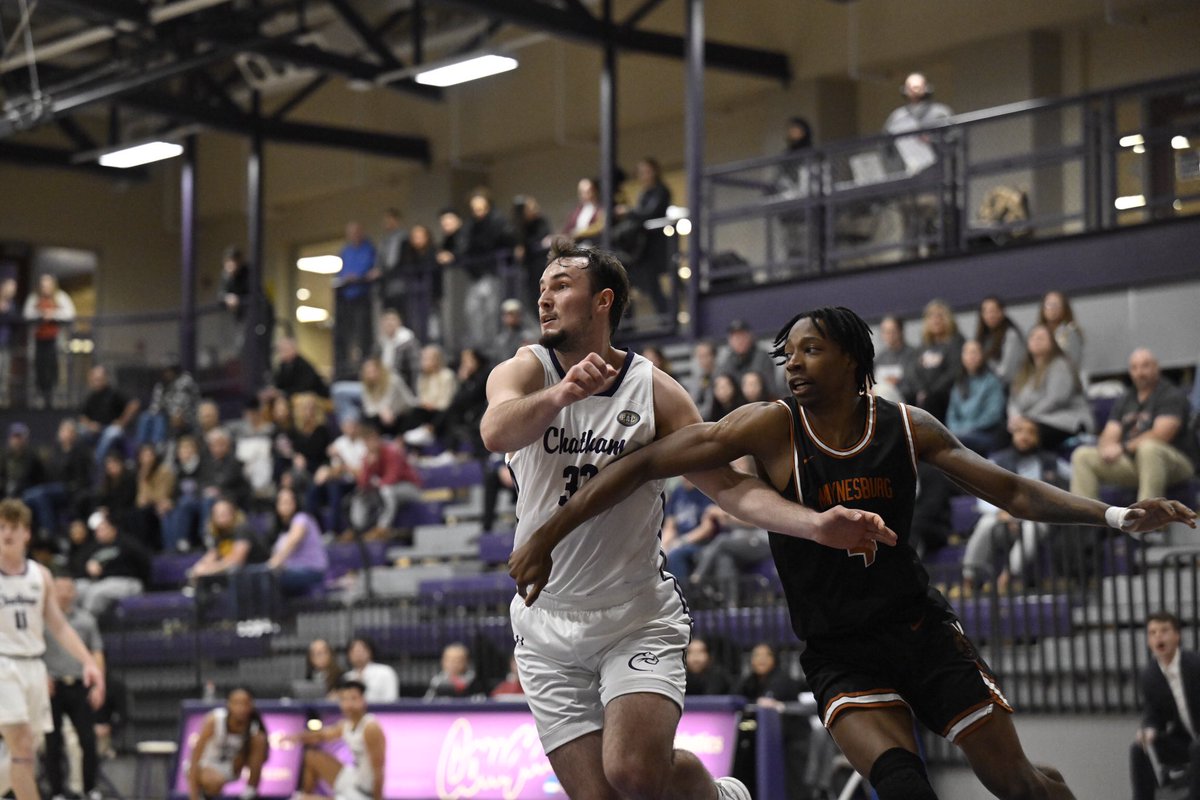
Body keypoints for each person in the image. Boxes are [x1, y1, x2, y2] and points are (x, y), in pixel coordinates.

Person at [514, 304, 1196, 800]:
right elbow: (644, 461)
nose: (792, 363)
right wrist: (548, 532)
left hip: (920, 632)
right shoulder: (770, 427)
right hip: (839, 650)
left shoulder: (906, 426)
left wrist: (1115, 513)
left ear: (849, 356)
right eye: (786, 354)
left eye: (809, 350)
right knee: (904, 789)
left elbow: (1012, 489)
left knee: (1017, 784)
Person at [486, 244, 890, 800]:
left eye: (560, 285)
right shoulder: (526, 369)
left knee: (633, 773)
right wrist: (563, 393)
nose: (544, 299)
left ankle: (720, 795)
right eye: (542, 288)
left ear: (603, 301)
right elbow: (496, 431)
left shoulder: (653, 389)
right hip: (545, 623)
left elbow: (729, 487)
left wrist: (817, 525)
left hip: (634, 616)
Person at [0, 499, 104, 800]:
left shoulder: (40, 575)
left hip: (34, 665)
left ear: (27, 533)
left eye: (14, 527)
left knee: (26, 752)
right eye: (2, 527)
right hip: (4, 664)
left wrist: (88, 662)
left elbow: (59, 627)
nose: (7, 533)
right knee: (20, 743)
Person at [1071, 347, 1196, 503]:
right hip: (1135, 462)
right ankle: (1084, 515)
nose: (1140, 372)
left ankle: (1146, 515)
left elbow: (1161, 435)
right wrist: (1106, 448)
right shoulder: (1126, 399)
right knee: (1082, 456)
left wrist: (1122, 448)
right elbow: (1110, 433)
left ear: (1156, 367)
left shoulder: (1170, 395)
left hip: (1176, 463)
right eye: (1134, 367)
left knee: (1149, 448)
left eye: (1145, 366)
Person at [961, 417, 1068, 594]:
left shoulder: (1051, 461)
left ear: (1038, 438)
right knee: (985, 523)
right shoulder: (997, 461)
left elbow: (1074, 482)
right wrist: (1003, 512)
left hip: (1036, 519)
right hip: (1004, 518)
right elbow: (982, 497)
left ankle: (1007, 579)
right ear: (1013, 435)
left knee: (1031, 528)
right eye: (1019, 431)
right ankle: (969, 579)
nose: (1024, 436)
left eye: (1030, 432)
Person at [42, 574, 104, 800]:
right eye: (59, 588)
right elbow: (33, 649)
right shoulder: (40, 619)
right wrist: (41, 675)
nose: (64, 593)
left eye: (69, 589)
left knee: (88, 739)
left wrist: (98, 683)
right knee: (53, 742)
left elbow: (96, 652)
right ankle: (57, 792)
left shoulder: (86, 620)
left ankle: (90, 789)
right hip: (52, 687)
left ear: (75, 592)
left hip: (79, 684)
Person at [1131, 611, 1200, 800]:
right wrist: (1149, 729)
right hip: (1185, 742)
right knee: (1138, 747)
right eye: (1152, 633)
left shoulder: (1195, 664)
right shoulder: (1149, 675)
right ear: (1148, 641)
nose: (1158, 637)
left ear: (1177, 636)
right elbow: (1153, 713)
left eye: (1164, 631)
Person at [294, 680, 385, 800]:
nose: (348, 704)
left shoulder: (370, 728)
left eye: (353, 699)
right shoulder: (346, 724)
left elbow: (378, 771)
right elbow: (321, 736)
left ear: (363, 701)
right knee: (311, 757)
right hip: (354, 780)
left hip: (366, 793)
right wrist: (294, 738)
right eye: (344, 699)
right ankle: (306, 793)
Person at [1007, 324, 1093, 450]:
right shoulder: (1024, 371)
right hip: (1031, 420)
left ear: (1052, 343)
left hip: (1064, 420)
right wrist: (1014, 417)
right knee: (1003, 433)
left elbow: (1056, 399)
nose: (1036, 340)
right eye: (1033, 337)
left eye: (1041, 338)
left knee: (1029, 432)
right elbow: (1013, 400)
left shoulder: (1060, 365)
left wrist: (1027, 418)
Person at [187, 686, 269, 800]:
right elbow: (195, 756)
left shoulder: (254, 730)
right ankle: (203, 794)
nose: (240, 708)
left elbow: (261, 761)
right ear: (228, 705)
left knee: (259, 739)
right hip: (206, 764)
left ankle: (250, 793)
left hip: (230, 769)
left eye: (244, 703)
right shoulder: (214, 720)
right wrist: (193, 796)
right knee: (214, 782)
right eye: (236, 703)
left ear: (251, 705)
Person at [614, 157, 672, 318]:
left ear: (655, 172)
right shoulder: (644, 193)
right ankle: (631, 320)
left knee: (655, 286)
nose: (644, 175)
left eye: (647, 172)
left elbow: (649, 213)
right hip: (641, 248)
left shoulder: (661, 190)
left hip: (654, 245)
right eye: (641, 173)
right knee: (633, 284)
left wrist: (629, 211)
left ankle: (666, 317)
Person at [348, 423, 421, 539]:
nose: (369, 445)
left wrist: (377, 486)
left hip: (410, 488)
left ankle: (383, 528)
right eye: (366, 442)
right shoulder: (368, 457)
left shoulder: (391, 451)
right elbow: (363, 483)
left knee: (386, 491)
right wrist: (369, 467)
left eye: (370, 440)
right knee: (361, 494)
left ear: (377, 438)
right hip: (388, 490)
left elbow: (392, 477)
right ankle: (358, 528)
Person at [884, 72, 953, 176]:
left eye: (918, 86)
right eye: (910, 86)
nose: (914, 89)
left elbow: (953, 138)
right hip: (907, 170)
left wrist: (932, 140)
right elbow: (886, 145)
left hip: (937, 170)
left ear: (927, 87)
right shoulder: (897, 117)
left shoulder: (940, 113)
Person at [264, 486, 328, 597]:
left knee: (270, 578)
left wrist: (272, 564)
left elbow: (293, 542)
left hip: (311, 570)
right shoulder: (280, 530)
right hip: (292, 571)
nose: (286, 505)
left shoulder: (301, 518)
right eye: (282, 502)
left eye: (289, 501)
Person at [22, 274, 75, 408]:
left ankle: (55, 398)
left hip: (55, 340)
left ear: (53, 285)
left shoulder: (61, 297)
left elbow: (70, 314)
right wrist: (41, 314)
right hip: (38, 341)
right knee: (38, 369)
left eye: (47, 285)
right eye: (43, 286)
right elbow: (26, 314)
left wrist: (53, 314)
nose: (45, 288)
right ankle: (39, 399)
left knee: (55, 369)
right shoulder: (34, 298)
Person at [947, 339, 1007, 455]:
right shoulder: (959, 383)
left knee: (956, 443)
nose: (970, 356)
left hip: (985, 433)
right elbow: (951, 414)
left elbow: (993, 414)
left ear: (982, 356)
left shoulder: (992, 382)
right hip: (960, 433)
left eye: (974, 352)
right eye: (967, 352)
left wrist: (966, 429)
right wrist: (956, 430)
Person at [335, 222, 379, 379]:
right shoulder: (345, 251)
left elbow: (371, 269)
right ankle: (346, 364)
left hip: (363, 296)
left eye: (356, 232)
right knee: (346, 333)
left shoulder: (369, 248)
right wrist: (345, 278)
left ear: (361, 232)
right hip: (346, 297)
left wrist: (358, 276)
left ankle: (364, 365)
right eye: (350, 233)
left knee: (363, 332)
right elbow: (340, 272)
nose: (353, 236)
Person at [909, 299, 964, 422]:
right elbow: (913, 370)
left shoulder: (956, 342)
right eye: (931, 317)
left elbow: (953, 372)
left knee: (931, 400)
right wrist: (921, 389)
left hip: (947, 393)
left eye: (939, 316)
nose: (936, 320)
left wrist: (930, 391)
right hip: (925, 393)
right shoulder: (923, 345)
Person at [78, 365, 140, 467]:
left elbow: (134, 404)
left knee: (110, 433)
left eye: (99, 379)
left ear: (105, 379)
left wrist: (122, 422)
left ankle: (97, 461)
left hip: (112, 428)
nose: (96, 382)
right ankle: (80, 464)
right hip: (96, 430)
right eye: (94, 379)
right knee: (79, 430)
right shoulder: (91, 397)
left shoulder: (114, 393)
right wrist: (90, 425)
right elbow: (82, 416)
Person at [714, 319, 780, 398]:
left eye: (742, 336)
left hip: (762, 402)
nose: (739, 341)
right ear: (730, 341)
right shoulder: (728, 360)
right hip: (737, 404)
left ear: (750, 337)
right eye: (735, 338)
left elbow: (771, 389)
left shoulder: (762, 357)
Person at [976, 297, 1025, 388]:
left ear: (1002, 312)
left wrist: (987, 361)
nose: (990, 315)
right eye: (985, 312)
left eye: (993, 311)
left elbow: (1007, 373)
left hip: (1009, 387)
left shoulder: (1011, 335)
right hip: (987, 386)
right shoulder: (983, 336)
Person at [1036, 290, 1084, 373]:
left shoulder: (1070, 332)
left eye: (1056, 305)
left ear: (1064, 308)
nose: (1052, 309)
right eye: (1048, 305)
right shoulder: (1038, 332)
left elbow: (1073, 363)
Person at [343, 637, 398, 704]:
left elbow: (391, 700)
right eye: (354, 651)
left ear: (370, 652)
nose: (358, 654)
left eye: (361, 650)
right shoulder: (346, 678)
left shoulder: (385, 672)